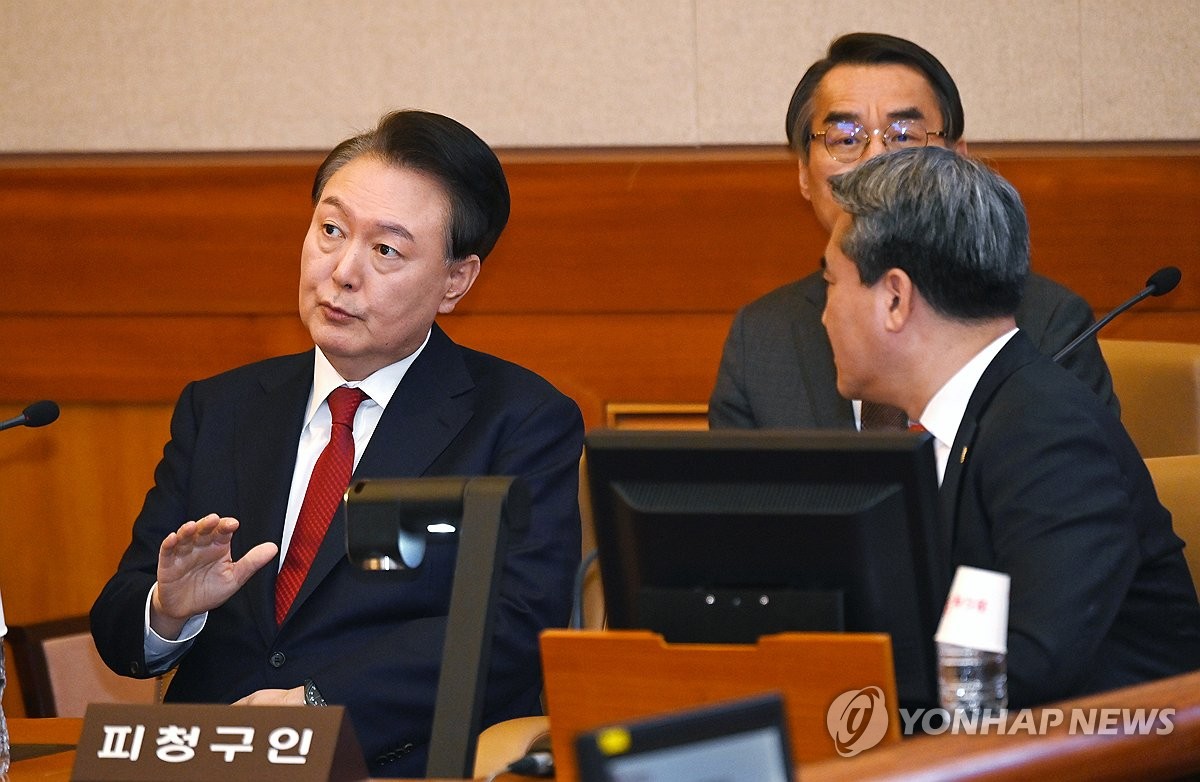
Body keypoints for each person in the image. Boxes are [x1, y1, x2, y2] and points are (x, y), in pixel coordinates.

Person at [90, 110, 584, 777]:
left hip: (389, 764)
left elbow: (513, 630)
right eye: (331, 230)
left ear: (455, 281)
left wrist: (319, 706)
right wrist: (168, 611)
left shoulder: (519, 421)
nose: (343, 271)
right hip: (208, 762)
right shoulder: (221, 408)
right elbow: (120, 627)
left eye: (387, 250)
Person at [822, 145, 1200, 706]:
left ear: (896, 298)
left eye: (831, 283)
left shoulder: (1047, 433)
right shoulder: (983, 414)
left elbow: (1027, 668)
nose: (824, 313)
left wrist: (843, 700)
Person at [710, 32, 1117, 430]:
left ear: (958, 162)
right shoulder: (761, 340)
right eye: (846, 139)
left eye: (903, 136)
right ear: (803, 172)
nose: (875, 161)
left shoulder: (1048, 323)